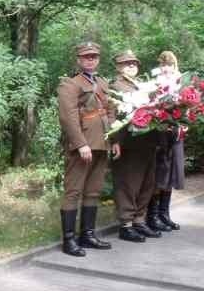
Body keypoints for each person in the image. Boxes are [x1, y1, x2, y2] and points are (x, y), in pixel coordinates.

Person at [56, 41, 119, 256]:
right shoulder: (70, 84)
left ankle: (88, 235)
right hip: (82, 145)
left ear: (98, 59)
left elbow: (111, 112)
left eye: (93, 56)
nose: (90, 59)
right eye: (86, 57)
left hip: (102, 142)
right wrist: (81, 143)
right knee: (74, 191)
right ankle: (69, 240)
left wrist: (114, 139)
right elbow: (68, 117)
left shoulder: (102, 82)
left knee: (93, 190)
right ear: (79, 60)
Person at [110, 49, 161, 242]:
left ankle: (139, 220)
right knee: (128, 184)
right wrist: (114, 140)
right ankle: (126, 225)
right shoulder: (115, 86)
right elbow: (111, 116)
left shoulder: (143, 85)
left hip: (147, 142)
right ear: (118, 66)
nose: (132, 65)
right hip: (128, 143)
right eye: (127, 63)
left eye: (134, 63)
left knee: (147, 183)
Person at [149, 50, 184, 232]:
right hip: (160, 132)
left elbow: (186, 108)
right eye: (163, 64)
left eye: (169, 64)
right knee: (159, 172)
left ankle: (164, 214)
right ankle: (153, 215)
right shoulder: (155, 82)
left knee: (171, 173)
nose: (166, 68)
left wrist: (184, 120)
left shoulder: (180, 81)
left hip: (175, 133)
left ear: (174, 65)